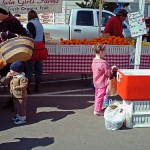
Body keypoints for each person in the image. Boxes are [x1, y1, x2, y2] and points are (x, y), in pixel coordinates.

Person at [0, 4, 28, 108]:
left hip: (14, 56)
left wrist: (9, 34)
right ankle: (11, 100)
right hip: (5, 55)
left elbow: (25, 36)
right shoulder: (2, 22)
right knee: (7, 79)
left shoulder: (14, 22)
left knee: (14, 79)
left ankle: (15, 101)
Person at [91, 44, 116, 116]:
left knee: (97, 95)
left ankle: (97, 107)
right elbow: (108, 73)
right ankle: (97, 110)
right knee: (101, 96)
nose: (105, 53)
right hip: (102, 82)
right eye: (104, 52)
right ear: (100, 52)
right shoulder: (103, 63)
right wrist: (113, 69)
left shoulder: (94, 61)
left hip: (96, 81)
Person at [24, 10, 45, 94]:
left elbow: (32, 36)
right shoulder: (40, 24)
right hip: (41, 47)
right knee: (38, 67)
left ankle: (28, 88)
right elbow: (42, 36)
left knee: (29, 67)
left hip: (33, 47)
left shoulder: (30, 24)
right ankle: (37, 86)